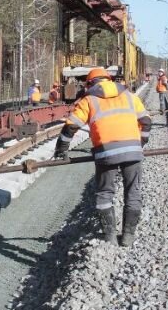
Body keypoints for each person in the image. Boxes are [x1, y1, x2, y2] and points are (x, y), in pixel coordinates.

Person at [53, 68, 151, 247]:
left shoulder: (89, 100)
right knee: (133, 193)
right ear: (109, 80)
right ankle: (128, 236)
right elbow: (146, 121)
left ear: (90, 84)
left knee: (105, 194)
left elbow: (70, 127)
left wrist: (61, 150)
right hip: (133, 152)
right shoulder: (129, 96)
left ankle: (110, 237)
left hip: (106, 153)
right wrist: (141, 142)